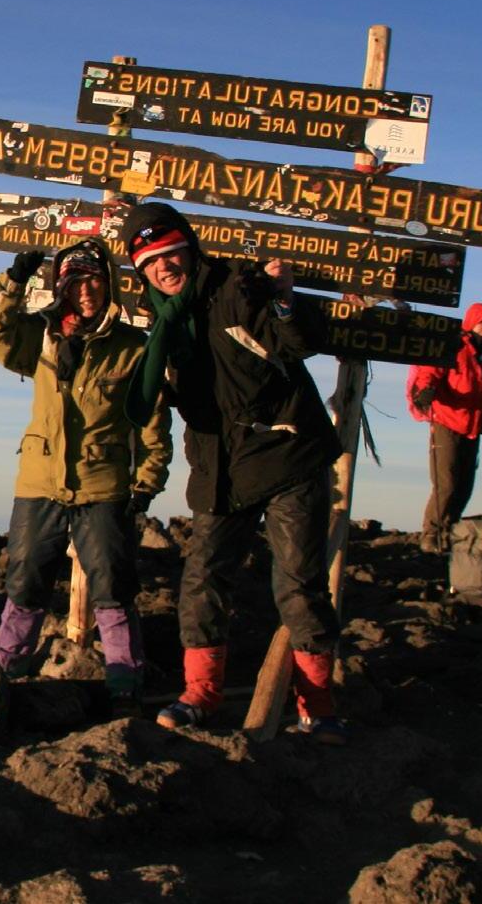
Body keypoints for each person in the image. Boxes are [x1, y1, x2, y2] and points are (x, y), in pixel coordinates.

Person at [120, 203, 348, 743]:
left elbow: (297, 343)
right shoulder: (162, 320)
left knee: (299, 584)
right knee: (202, 581)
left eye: (170, 253)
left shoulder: (236, 288)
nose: (162, 266)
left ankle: (317, 706)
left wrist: (285, 301)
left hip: (287, 455)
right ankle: (200, 694)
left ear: (189, 249)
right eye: (149, 261)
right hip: (219, 467)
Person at [0, 238, 163, 707]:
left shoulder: (132, 348)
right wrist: (12, 283)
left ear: (109, 285)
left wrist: (147, 482)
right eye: (76, 282)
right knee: (26, 578)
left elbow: (153, 421)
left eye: (94, 280)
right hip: (39, 482)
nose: (86, 291)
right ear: (61, 287)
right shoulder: (40, 337)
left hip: (104, 485)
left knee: (113, 583)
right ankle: (5, 667)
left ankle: (124, 679)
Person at [406, 303, 482, 554]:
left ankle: (448, 533)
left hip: (472, 428)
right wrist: (425, 391)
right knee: (446, 483)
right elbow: (430, 371)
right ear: (471, 322)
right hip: (447, 422)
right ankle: (431, 534)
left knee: (464, 486)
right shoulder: (454, 347)